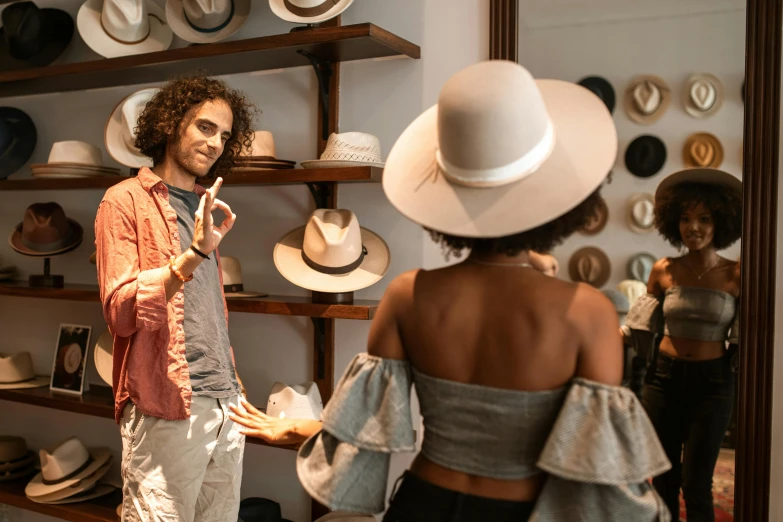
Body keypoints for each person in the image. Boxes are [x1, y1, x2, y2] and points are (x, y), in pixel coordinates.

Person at [230, 61, 670, 521]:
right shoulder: (588, 312)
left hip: (423, 503)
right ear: (557, 197)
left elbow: (363, 428)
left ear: (449, 191)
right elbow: (600, 464)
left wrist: (296, 429)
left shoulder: (407, 295)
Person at [95, 74, 255, 522]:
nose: (216, 143)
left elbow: (205, 314)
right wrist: (195, 252)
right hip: (165, 408)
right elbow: (121, 312)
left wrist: (233, 386)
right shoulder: (123, 201)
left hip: (226, 407)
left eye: (224, 135)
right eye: (205, 127)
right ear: (169, 124)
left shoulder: (206, 203)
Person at [623, 168, 741, 521]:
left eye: (704, 219)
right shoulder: (663, 269)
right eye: (686, 219)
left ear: (721, 221)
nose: (694, 228)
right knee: (663, 480)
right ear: (673, 222)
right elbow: (639, 327)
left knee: (696, 484)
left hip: (714, 384)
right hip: (663, 380)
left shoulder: (737, 274)